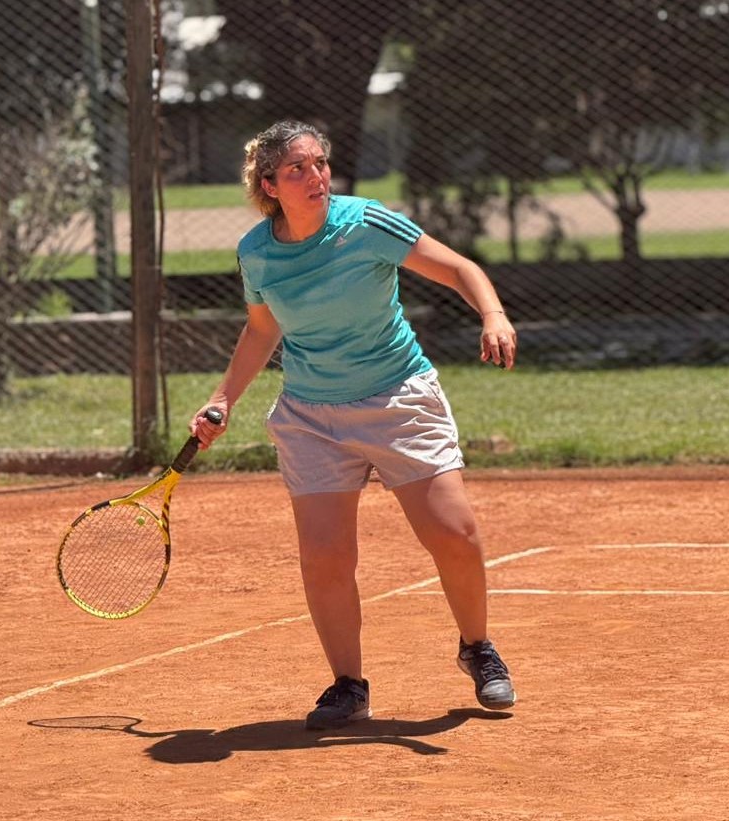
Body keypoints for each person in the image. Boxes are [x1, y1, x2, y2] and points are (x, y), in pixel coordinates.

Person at [190, 119, 519, 731]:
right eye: (298, 169)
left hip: (398, 399)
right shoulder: (256, 251)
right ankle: (348, 686)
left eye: (320, 164)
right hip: (312, 415)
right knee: (324, 557)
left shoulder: (365, 223)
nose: (315, 176)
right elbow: (264, 329)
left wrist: (493, 315)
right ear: (270, 184)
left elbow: (459, 269)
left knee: (455, 533)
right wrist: (224, 398)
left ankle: (477, 647)